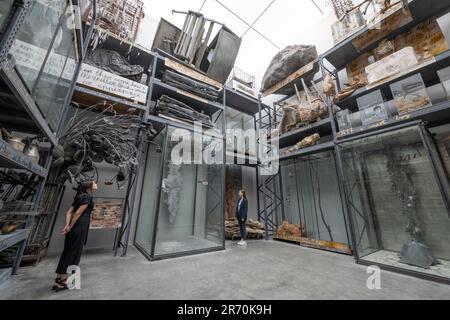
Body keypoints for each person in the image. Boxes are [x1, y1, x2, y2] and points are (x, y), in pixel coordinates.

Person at [52, 180, 97, 292]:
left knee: (67, 251)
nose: (96, 184)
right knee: (74, 253)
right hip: (79, 227)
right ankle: (63, 282)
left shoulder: (79, 197)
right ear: (88, 186)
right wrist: (70, 226)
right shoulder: (87, 197)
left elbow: (69, 212)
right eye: (94, 183)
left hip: (74, 228)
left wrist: (67, 225)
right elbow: (77, 213)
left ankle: (58, 280)